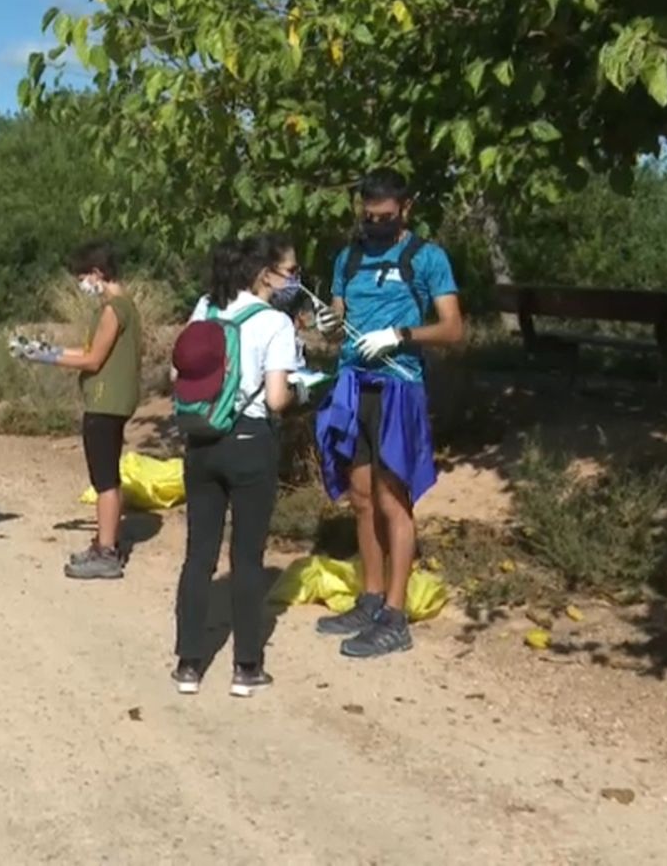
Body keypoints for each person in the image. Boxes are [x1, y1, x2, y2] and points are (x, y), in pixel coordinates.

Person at [311, 167, 463, 658]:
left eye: (385, 217)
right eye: (368, 216)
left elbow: (453, 329)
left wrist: (401, 336)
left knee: (392, 498)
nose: (375, 224)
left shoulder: (427, 258)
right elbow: (336, 320)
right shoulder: (348, 257)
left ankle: (396, 616)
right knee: (359, 497)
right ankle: (370, 597)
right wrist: (328, 323)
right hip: (353, 384)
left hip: (399, 387)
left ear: (406, 209)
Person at [170, 235, 307, 696]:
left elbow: (179, 374)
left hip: (202, 439)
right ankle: (246, 667)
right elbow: (275, 399)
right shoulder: (275, 323)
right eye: (289, 272)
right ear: (264, 273)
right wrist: (302, 390)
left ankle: (188, 664)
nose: (293, 281)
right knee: (247, 558)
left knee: (198, 554)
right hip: (250, 441)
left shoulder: (205, 308)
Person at [14, 241, 142, 580]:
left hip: (105, 403)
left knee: (104, 479)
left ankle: (108, 552)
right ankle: (104, 542)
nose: (81, 283)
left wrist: (46, 357)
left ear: (98, 273)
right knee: (105, 475)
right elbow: (89, 351)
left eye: (83, 276)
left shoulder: (114, 309)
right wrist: (48, 349)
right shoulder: (124, 306)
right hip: (113, 401)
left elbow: (93, 359)